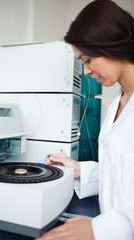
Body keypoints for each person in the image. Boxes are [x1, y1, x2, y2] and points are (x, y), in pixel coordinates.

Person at [36, 0, 134, 239]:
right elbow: (123, 175)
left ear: (113, 43)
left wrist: (98, 230)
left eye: (87, 60)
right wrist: (82, 170)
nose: (86, 71)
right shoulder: (117, 103)